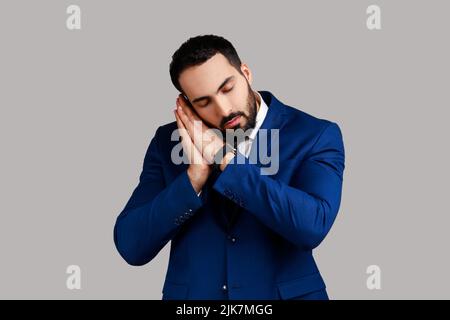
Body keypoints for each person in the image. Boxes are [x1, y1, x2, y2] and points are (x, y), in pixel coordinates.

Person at [113, 34, 345, 300]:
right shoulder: (168, 143)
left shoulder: (314, 134)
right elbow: (131, 246)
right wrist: (193, 179)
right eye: (203, 102)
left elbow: (311, 226)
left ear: (245, 72)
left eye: (227, 88)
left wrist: (225, 158)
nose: (223, 109)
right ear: (187, 104)